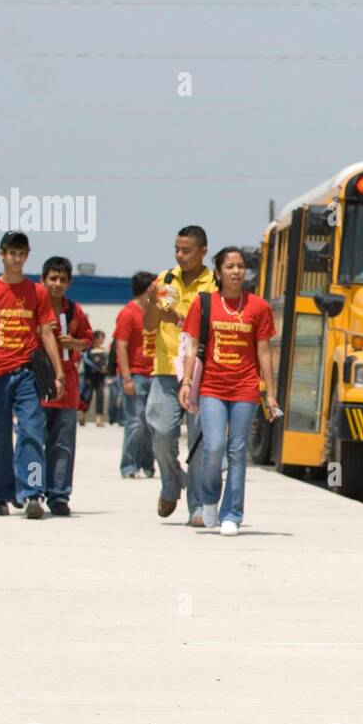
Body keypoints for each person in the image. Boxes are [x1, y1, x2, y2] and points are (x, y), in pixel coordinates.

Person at [178, 246, 278, 536]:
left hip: (245, 387)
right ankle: (208, 499)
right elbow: (191, 345)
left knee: (237, 450)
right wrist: (186, 382)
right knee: (213, 448)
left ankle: (232, 513)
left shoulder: (258, 307)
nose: (236, 271)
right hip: (211, 387)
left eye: (240, 266)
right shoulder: (204, 303)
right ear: (219, 272)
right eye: (230, 266)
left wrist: (269, 393)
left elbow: (264, 351)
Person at [0, 230, 65, 518]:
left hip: (26, 374)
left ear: (27, 255)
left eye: (21, 253)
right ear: (2, 254)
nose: (16, 258)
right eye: (11, 253)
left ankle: (33, 493)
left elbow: (46, 332)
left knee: (32, 432)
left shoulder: (36, 293)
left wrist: (58, 371)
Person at [144, 225, 217, 524]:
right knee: (161, 435)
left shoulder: (214, 284)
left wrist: (180, 318)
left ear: (203, 252)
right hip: (165, 368)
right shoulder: (166, 280)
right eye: (177, 249)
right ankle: (171, 482)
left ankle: (198, 506)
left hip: (200, 370)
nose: (180, 255)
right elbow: (150, 325)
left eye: (186, 250)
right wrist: (151, 301)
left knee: (199, 440)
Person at [40, 256, 93, 516]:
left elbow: (88, 340)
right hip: (40, 382)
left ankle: (59, 494)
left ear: (69, 283)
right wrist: (42, 333)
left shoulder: (74, 311)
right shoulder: (34, 309)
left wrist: (71, 342)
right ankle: (33, 489)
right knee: (34, 439)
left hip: (68, 387)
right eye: (52, 278)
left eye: (62, 279)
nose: (57, 284)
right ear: (43, 280)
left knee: (62, 443)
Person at [115, 271, 158, 479]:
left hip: (155, 375)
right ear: (145, 289)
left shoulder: (157, 311)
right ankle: (129, 465)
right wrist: (126, 378)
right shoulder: (128, 313)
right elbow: (121, 347)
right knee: (136, 422)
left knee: (152, 424)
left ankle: (148, 464)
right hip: (136, 374)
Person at [79, 331, 109, 427]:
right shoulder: (89, 350)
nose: (102, 340)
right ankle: (82, 417)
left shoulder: (104, 351)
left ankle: (98, 419)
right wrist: (86, 377)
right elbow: (86, 364)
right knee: (87, 397)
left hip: (100, 378)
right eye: (101, 337)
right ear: (95, 338)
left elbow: (106, 364)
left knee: (100, 397)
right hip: (90, 377)